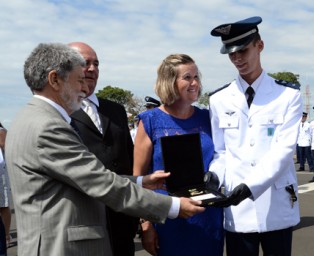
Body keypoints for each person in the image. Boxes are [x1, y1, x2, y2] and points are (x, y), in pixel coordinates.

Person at [6, 42, 205, 256]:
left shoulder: (28, 117)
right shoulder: (48, 126)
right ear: (55, 80)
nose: (84, 88)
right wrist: (173, 206)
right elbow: (99, 182)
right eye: (79, 80)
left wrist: (140, 181)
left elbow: (81, 178)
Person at [208, 16, 301, 256]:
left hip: (276, 203)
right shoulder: (218, 99)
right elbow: (221, 151)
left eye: (243, 50)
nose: (237, 58)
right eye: (231, 53)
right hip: (237, 209)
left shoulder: (287, 96)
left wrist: (250, 186)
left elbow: (283, 151)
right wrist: (214, 175)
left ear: (260, 45)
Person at [133, 54, 224, 256]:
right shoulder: (150, 121)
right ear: (169, 82)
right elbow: (139, 180)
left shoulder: (208, 118)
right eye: (187, 77)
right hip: (168, 217)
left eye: (196, 77)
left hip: (207, 215)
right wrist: (146, 225)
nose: (195, 83)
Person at [68, 42, 138, 256]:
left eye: (96, 64)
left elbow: (131, 158)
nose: (92, 69)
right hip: (85, 222)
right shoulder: (62, 112)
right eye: (85, 63)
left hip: (123, 219)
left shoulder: (115, 110)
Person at [0, 123, 10, 256]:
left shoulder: (1, 132)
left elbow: (8, 148)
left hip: (1, 174)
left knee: (3, 206)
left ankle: (6, 235)